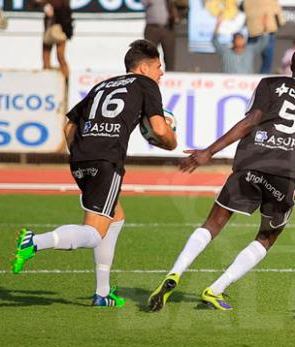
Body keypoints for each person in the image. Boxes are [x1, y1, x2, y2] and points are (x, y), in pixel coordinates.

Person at [147, 46, 295, 312]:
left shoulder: (269, 84)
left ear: (291, 67)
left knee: (213, 222)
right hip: (284, 175)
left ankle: (174, 273)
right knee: (267, 236)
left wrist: (209, 152)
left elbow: (251, 120)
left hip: (251, 163)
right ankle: (216, 289)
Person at [11, 40, 177, 307]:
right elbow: (159, 129)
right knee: (93, 233)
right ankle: (35, 242)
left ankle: (102, 293)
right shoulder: (147, 85)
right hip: (106, 161)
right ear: (144, 67)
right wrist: (171, 141)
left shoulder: (103, 85)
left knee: (116, 217)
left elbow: (68, 126)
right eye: (159, 67)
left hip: (80, 160)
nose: (161, 73)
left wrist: (81, 154)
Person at [243, 0, 285, 74]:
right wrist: (279, 24)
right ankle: (262, 80)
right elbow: (279, 15)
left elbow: (242, 9)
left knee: (248, 59)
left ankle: (247, 79)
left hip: (252, 32)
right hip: (267, 30)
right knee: (267, 61)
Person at [38, 0, 73, 80]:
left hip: (59, 27)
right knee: (48, 58)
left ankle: (66, 81)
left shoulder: (58, 3)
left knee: (59, 57)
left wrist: (47, 4)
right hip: (55, 27)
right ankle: (47, 80)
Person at [141, 0, 178, 72]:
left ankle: (170, 77)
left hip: (168, 27)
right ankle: (148, 79)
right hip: (153, 28)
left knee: (169, 57)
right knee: (149, 55)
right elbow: (144, 3)